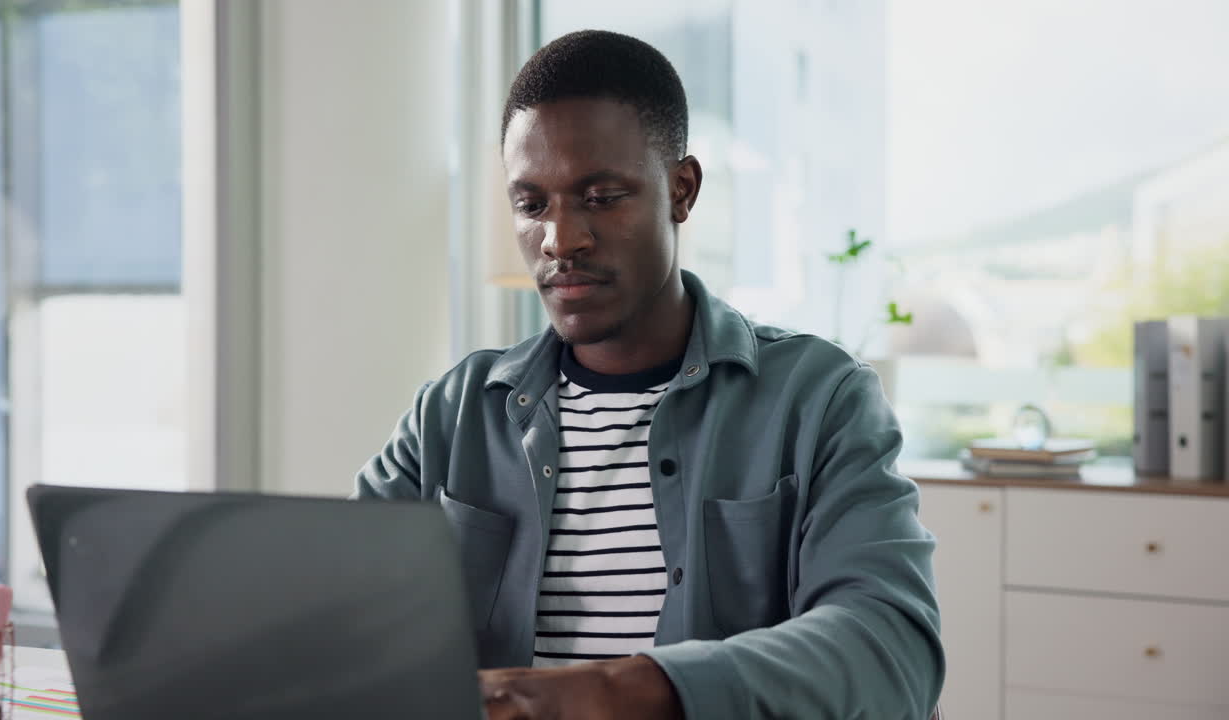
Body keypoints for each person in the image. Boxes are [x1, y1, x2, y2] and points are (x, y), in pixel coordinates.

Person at [355, 29, 944, 720]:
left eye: (601, 196)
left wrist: (620, 690)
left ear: (681, 191)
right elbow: (341, 618)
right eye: (531, 204)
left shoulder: (818, 398)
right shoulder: (450, 416)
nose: (560, 239)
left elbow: (889, 645)